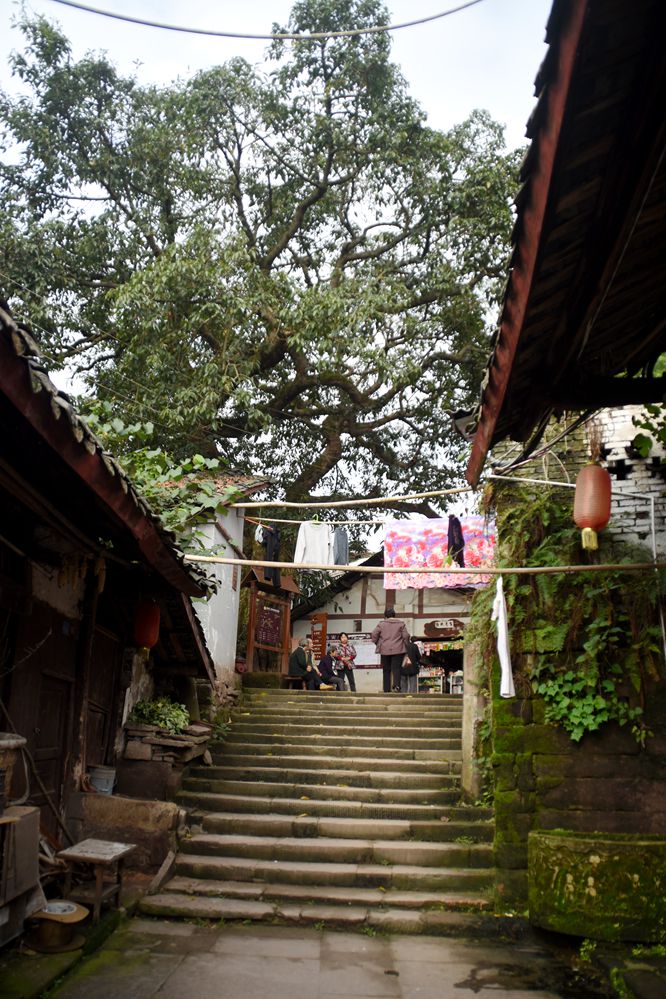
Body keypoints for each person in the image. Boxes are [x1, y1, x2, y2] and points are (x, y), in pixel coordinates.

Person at [371, 608, 410, 692]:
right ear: (394, 614)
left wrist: (378, 644)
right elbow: (406, 636)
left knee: (386, 670)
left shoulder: (381, 624)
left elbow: (374, 635)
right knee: (397, 669)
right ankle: (396, 687)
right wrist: (406, 645)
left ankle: (386, 689)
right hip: (398, 649)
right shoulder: (401, 624)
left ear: (385, 616)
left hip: (385, 650)